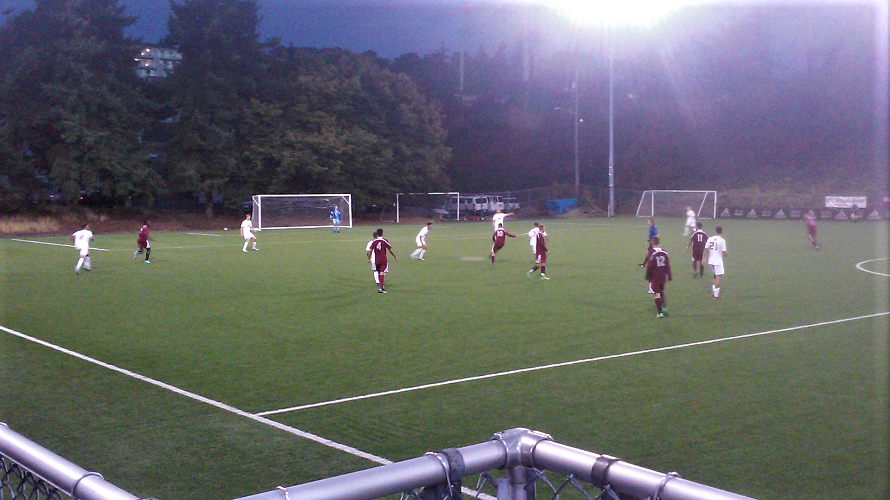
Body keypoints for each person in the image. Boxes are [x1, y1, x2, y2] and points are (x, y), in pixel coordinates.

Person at [645, 236, 672, 318]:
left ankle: (660, 313)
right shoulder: (664, 252)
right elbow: (667, 266)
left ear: (652, 244)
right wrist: (670, 277)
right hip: (662, 276)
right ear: (659, 243)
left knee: (657, 294)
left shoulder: (651, 252)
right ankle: (664, 308)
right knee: (661, 291)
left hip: (655, 277)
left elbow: (650, 266)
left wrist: (647, 276)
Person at [367, 228, 397, 293]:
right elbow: (390, 249)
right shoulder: (385, 240)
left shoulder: (374, 241)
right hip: (383, 259)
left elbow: (370, 251)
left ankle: (381, 285)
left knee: (379, 272)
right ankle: (381, 288)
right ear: (382, 233)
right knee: (382, 273)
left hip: (376, 260)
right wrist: (394, 256)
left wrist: (369, 259)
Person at [705, 226, 728, 299]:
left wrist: (703, 259)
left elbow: (706, 249)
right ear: (721, 231)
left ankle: (713, 291)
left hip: (711, 261)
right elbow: (724, 252)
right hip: (717, 261)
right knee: (718, 276)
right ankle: (716, 295)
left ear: (715, 231)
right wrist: (725, 256)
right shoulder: (722, 240)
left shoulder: (710, 238)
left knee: (715, 275)